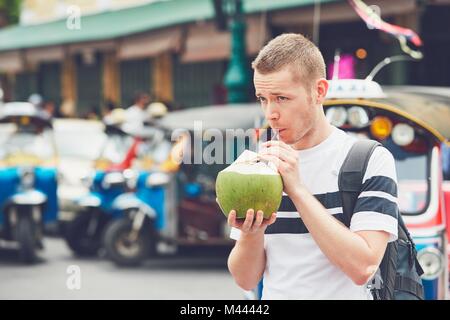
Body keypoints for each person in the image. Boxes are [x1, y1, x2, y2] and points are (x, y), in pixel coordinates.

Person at [227, 33, 399, 300]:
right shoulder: (259, 163)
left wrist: (298, 191)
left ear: (319, 91)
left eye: (281, 98)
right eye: (263, 98)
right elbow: (245, 278)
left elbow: (363, 267)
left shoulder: (368, 160)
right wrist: (252, 233)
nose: (270, 112)